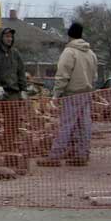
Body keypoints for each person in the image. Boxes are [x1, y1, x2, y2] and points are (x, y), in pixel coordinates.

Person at [39, 22, 98, 167]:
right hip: (87, 93)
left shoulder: (69, 52)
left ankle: (55, 156)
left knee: (66, 125)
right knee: (84, 125)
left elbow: (62, 75)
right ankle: (82, 154)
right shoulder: (91, 53)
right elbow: (95, 76)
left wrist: (56, 94)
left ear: (69, 35)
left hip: (72, 94)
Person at [0, 27, 36, 155]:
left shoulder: (15, 53)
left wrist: (23, 89)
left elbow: (21, 72)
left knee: (12, 122)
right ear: (1, 37)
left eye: (11, 37)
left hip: (13, 92)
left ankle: (7, 149)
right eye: (7, 36)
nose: (9, 39)